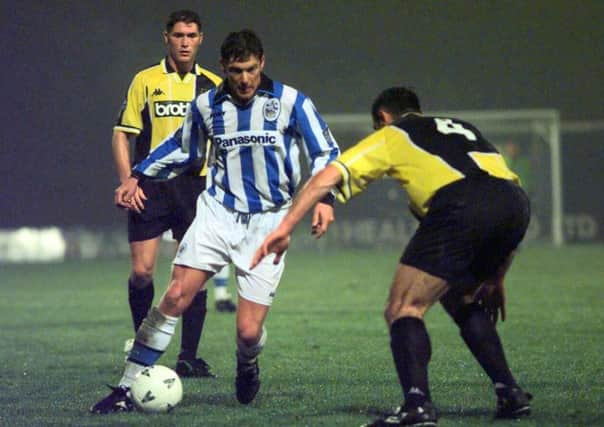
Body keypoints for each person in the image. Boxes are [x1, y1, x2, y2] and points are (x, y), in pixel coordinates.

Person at [90, 29, 340, 414]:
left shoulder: (291, 102)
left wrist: (325, 197)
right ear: (223, 67)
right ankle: (125, 388)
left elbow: (325, 151)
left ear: (263, 64)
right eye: (237, 70)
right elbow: (182, 150)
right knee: (174, 296)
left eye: (251, 70)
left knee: (248, 332)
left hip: (268, 225)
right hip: (217, 213)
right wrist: (138, 175)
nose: (244, 79)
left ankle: (248, 362)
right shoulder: (207, 105)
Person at [252, 87, 532, 426]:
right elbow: (502, 190)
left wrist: (284, 227)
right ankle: (510, 392)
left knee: (403, 308)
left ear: (382, 119)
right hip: (515, 203)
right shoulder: (462, 127)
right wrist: (496, 276)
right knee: (460, 297)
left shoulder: (394, 134)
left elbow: (327, 176)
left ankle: (417, 405)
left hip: (461, 203)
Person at [111, 10, 238, 382]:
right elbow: (123, 132)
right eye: (179, 35)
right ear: (166, 38)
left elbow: (226, 142)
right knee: (141, 272)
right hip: (149, 186)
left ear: (201, 39)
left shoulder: (214, 86)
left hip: (193, 188)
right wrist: (126, 180)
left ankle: (188, 357)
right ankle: (142, 345)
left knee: (192, 275)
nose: (185, 41)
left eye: (192, 35)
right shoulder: (145, 81)